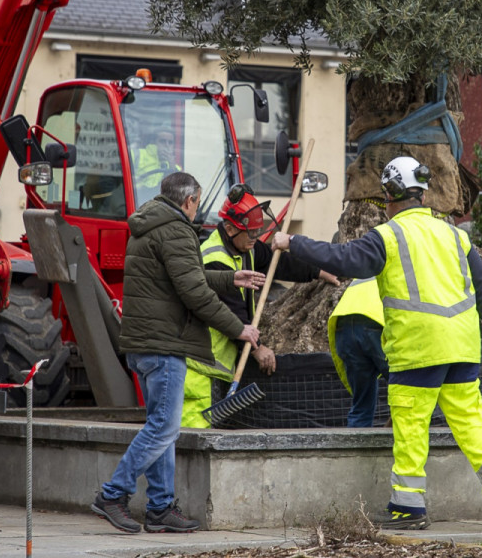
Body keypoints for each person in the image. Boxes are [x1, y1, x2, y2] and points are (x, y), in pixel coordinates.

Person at [272, 156, 482, 532]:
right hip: (461, 345)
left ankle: (408, 507)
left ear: (388, 197)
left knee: (411, 426)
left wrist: (292, 241)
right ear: (423, 193)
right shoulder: (456, 235)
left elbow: (342, 260)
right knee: (472, 421)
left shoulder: (388, 236)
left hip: (417, 348)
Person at [91, 172, 266, 534]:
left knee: (162, 429)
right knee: (164, 427)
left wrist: (230, 279)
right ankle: (113, 494)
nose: (197, 209)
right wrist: (239, 328)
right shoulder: (176, 230)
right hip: (164, 342)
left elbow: (186, 277)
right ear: (188, 201)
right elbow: (194, 294)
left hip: (144, 342)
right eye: (197, 202)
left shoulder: (151, 223)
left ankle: (160, 507)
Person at [181, 183, 338, 427]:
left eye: (258, 231)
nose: (256, 238)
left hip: (218, 365)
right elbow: (232, 314)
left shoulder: (246, 248)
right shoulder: (214, 260)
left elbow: (281, 263)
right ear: (231, 228)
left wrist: (318, 271)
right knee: (191, 437)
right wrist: (258, 349)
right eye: (251, 233)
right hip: (199, 367)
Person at [327, 276, 388, 427]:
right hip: (376, 321)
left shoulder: (366, 270)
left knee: (362, 405)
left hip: (344, 326)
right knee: (409, 390)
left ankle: (356, 449)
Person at [134, 126, 182, 202]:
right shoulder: (137, 155)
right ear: (154, 142)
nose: (167, 145)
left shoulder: (175, 169)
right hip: (135, 200)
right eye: (162, 141)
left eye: (170, 142)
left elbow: (177, 195)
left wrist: (172, 167)